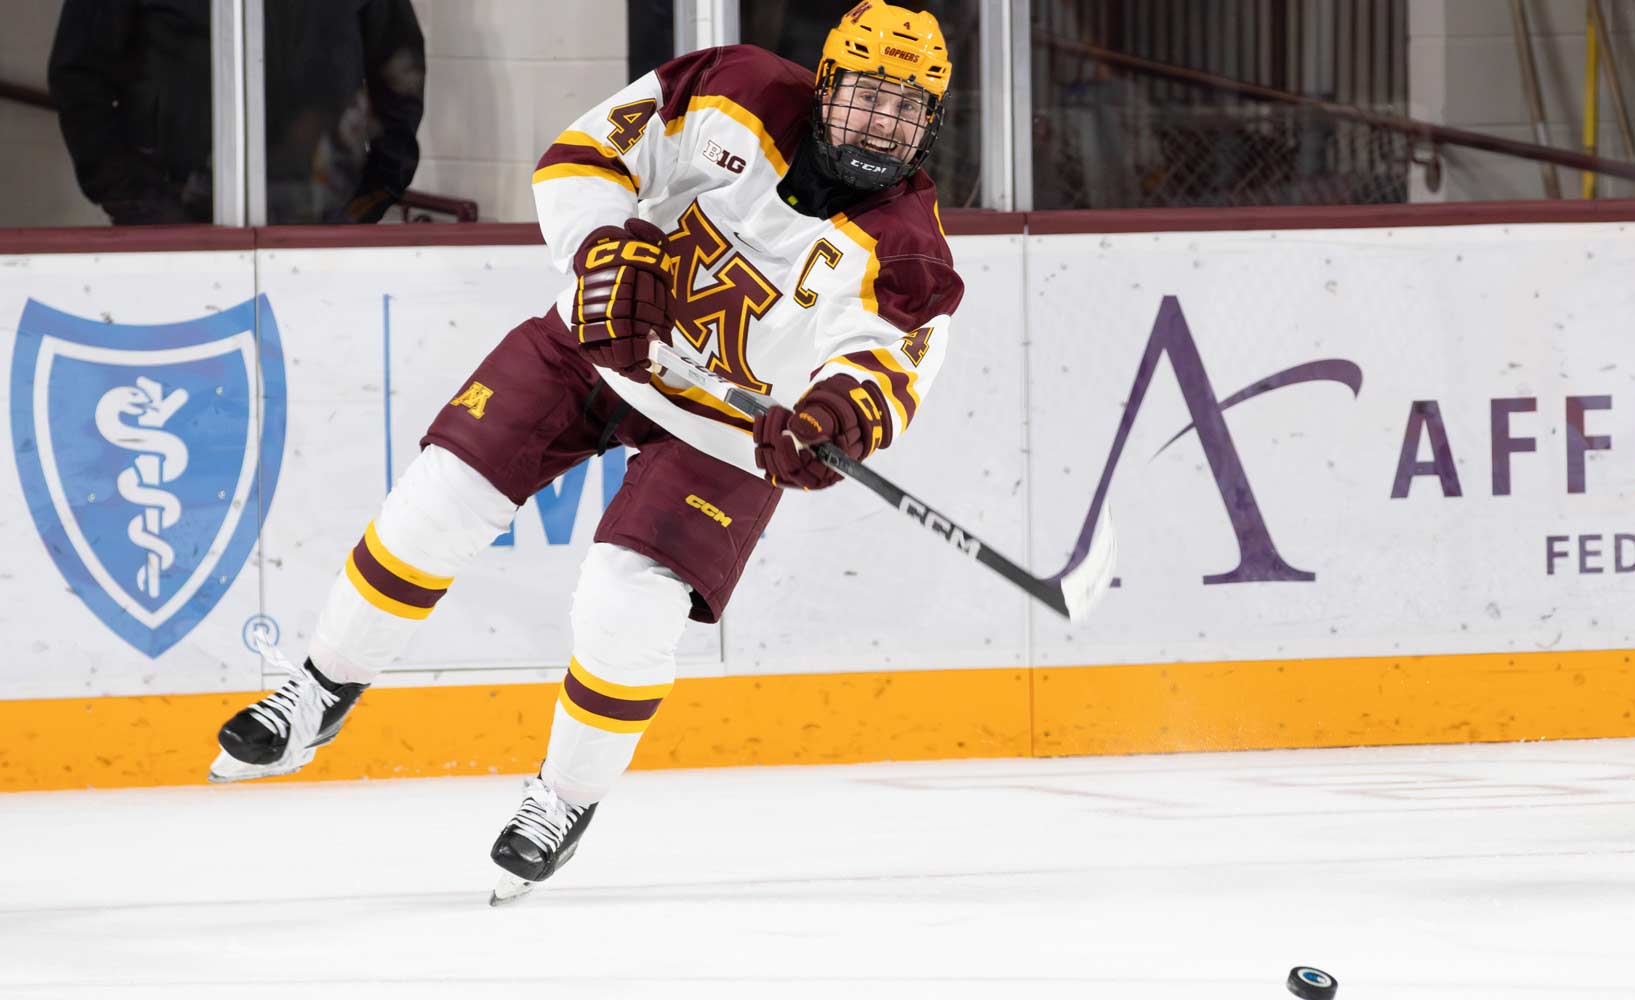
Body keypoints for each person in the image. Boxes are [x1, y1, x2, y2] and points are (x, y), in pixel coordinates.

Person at [207, 2, 962, 902]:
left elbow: (885, 372)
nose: (883, 125)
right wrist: (604, 250)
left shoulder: (910, 252)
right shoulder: (738, 90)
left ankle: (562, 801)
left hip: (723, 431)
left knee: (623, 604)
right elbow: (584, 154)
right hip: (594, 344)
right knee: (437, 500)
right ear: (828, 85)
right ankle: (318, 692)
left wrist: (831, 420)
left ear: (931, 121)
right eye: (869, 98)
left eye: (907, 109)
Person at [47, 0, 425, 225]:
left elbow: (398, 65)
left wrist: (375, 188)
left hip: (321, 224)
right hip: (174, 227)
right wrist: (135, 198)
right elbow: (80, 76)